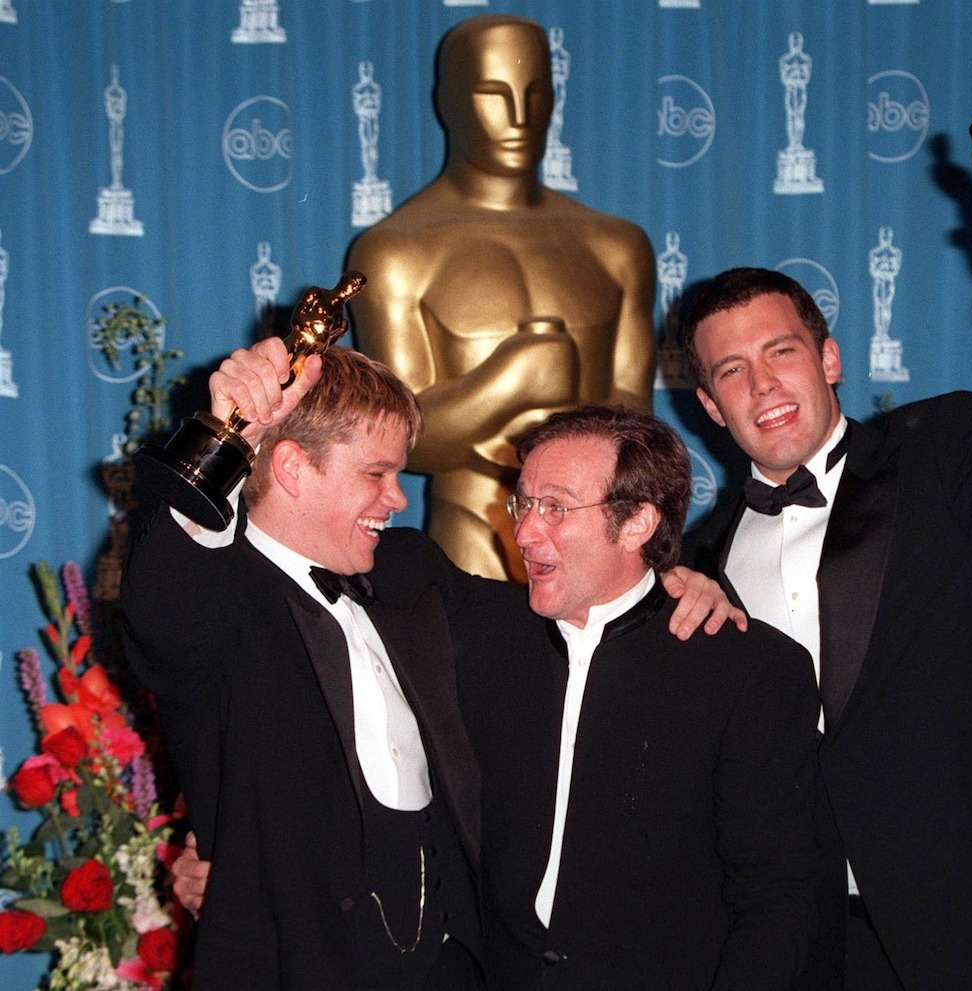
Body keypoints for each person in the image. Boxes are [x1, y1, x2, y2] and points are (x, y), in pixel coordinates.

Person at [125, 341, 740, 990]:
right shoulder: (215, 598)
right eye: (377, 473)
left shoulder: (409, 570)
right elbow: (164, 609)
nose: (397, 498)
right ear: (293, 468)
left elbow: (565, 610)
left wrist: (665, 579)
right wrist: (223, 437)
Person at [681, 196, 972, 991]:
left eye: (782, 351)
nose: (762, 383)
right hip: (797, 943)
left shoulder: (944, 452)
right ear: (708, 405)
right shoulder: (700, 556)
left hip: (971, 925)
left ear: (829, 358)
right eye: (731, 370)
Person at [450, 405, 821, 989]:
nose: (523, 531)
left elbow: (780, 901)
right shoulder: (481, 632)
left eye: (556, 508)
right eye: (524, 502)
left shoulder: (748, 671)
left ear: (637, 524)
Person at [346, 14, 657, 582]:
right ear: (450, 101)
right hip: (471, 531)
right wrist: (510, 381)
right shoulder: (397, 251)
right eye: (494, 94)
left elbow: (637, 425)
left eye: (536, 94)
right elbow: (399, 441)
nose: (519, 117)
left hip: (598, 545)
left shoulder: (616, 246)